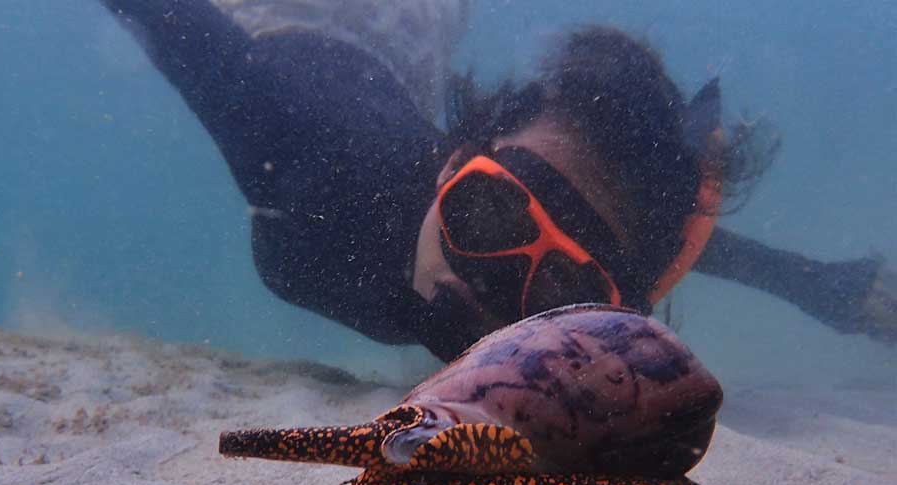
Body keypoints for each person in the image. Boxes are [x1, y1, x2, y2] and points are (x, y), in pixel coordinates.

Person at [97, 0, 897, 361]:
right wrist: (829, 286)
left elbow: (674, 249)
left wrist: (836, 292)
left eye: (559, 289)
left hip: (403, 68)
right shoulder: (295, 132)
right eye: (488, 216)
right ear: (452, 164)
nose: (486, 297)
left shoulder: (546, 204)